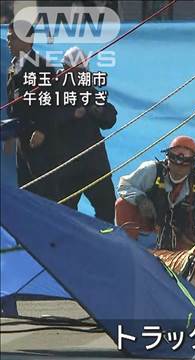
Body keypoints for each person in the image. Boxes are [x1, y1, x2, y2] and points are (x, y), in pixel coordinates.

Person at [115, 136, 195, 250]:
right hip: (149, 229)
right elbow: (124, 185)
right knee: (123, 204)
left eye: (184, 163)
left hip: (181, 237)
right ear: (167, 158)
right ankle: (126, 249)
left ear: (193, 164)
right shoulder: (151, 170)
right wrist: (140, 199)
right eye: (175, 160)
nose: (178, 166)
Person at [56, 47, 116, 223]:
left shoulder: (89, 90)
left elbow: (110, 117)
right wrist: (71, 115)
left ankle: (104, 246)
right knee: (64, 216)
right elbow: (45, 120)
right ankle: (67, 249)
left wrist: (99, 112)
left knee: (106, 209)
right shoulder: (53, 91)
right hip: (66, 166)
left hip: (94, 165)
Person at [6, 20, 59, 200]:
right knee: (26, 191)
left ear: (27, 40)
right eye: (8, 38)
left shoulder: (43, 66)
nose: (8, 42)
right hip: (21, 139)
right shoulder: (13, 67)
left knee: (44, 191)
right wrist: (10, 135)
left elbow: (53, 101)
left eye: (12, 38)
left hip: (40, 140)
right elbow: (13, 106)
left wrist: (42, 129)